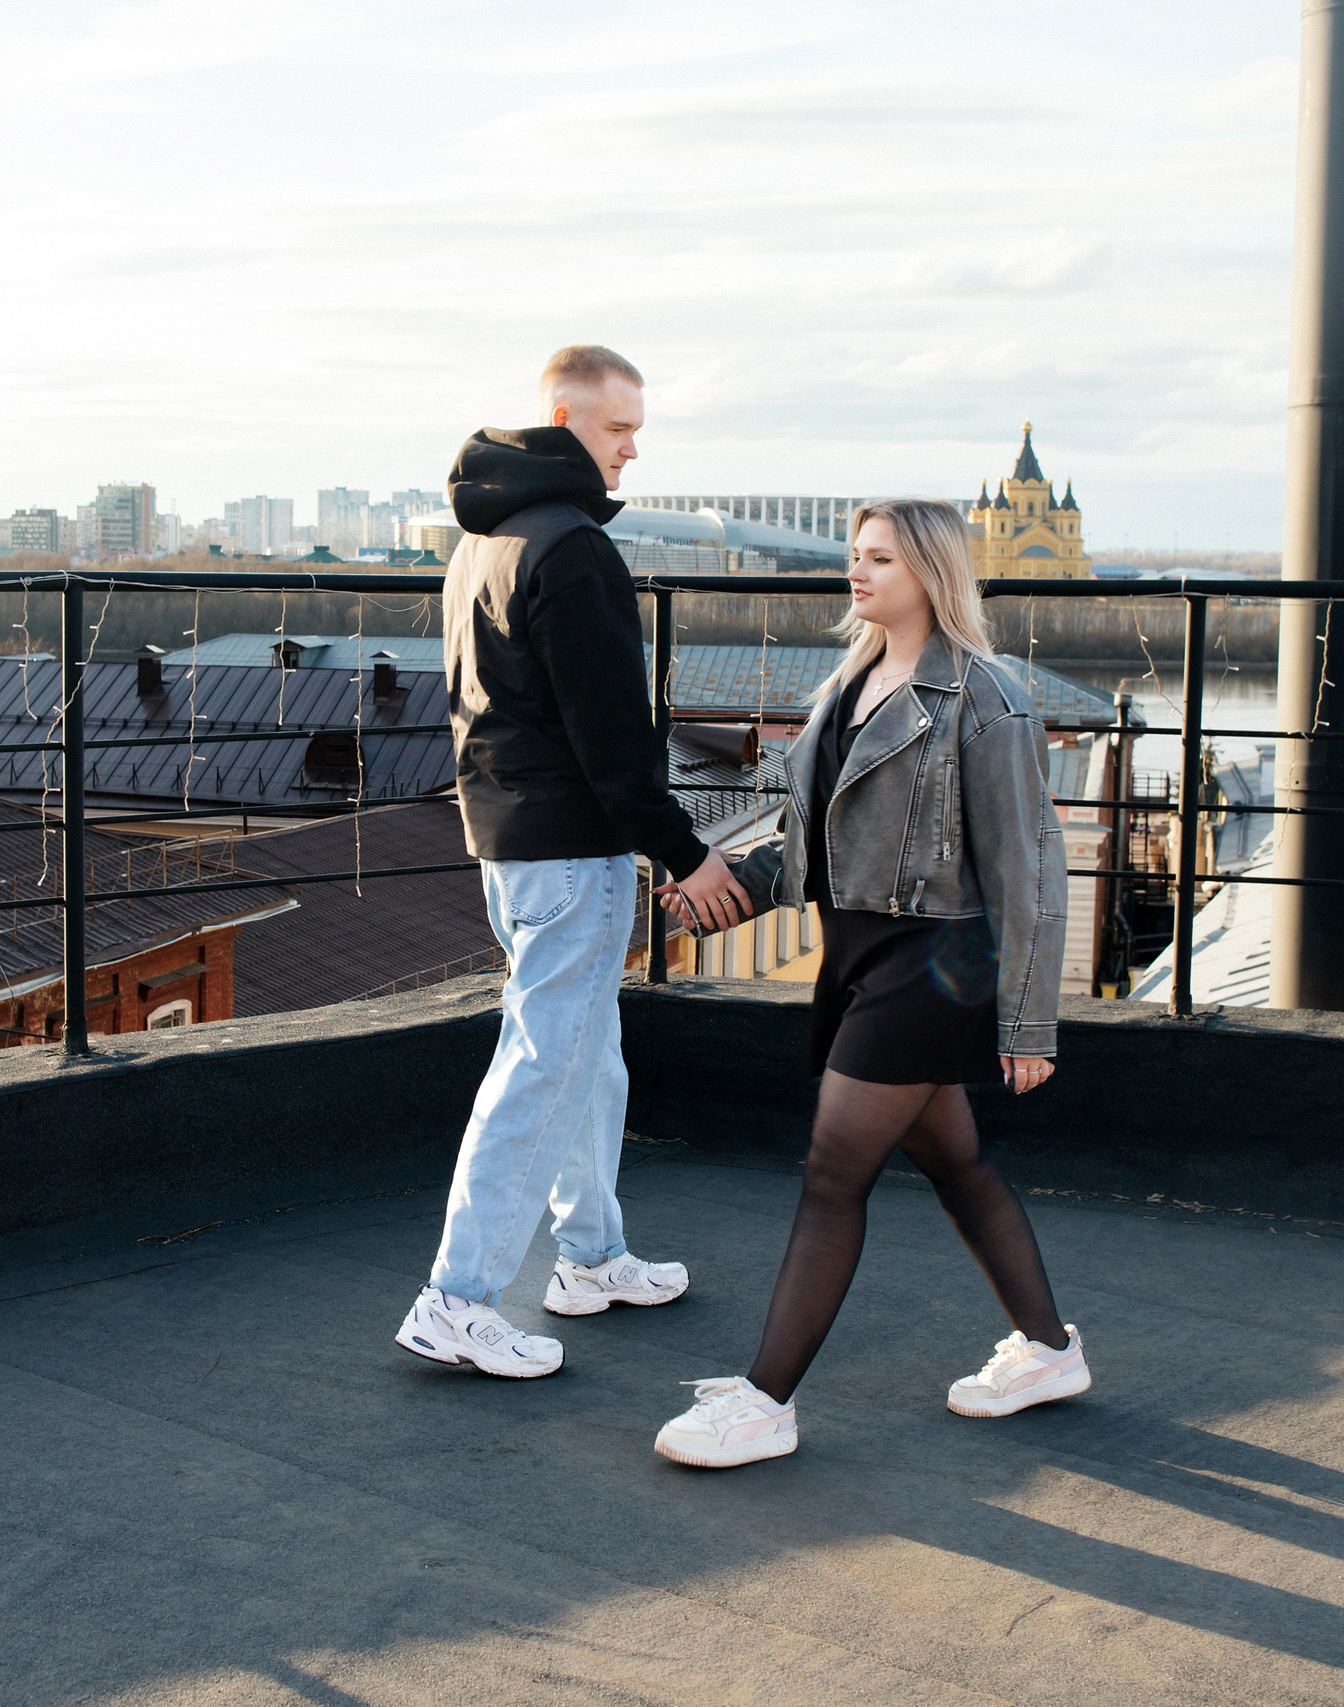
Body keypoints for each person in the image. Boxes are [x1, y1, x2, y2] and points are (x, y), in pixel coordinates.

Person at [649, 498, 1086, 1466]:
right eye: (854, 556)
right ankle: (1050, 1350)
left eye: (879, 559)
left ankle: (765, 1402)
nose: (857, 573)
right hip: (859, 954)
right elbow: (815, 844)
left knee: (832, 1171)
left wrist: (1027, 1024)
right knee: (957, 1166)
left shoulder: (985, 698)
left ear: (929, 572)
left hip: (936, 961)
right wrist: (737, 890)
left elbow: (1027, 868)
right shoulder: (845, 684)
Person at [395, 345, 754, 1379]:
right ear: (563, 418)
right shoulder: (571, 550)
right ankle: (457, 1299)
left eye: (636, 432)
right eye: (616, 430)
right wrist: (684, 853)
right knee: (544, 1066)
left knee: (585, 1053)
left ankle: (589, 1261)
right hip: (567, 847)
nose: (632, 452)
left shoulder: (486, 541)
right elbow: (611, 730)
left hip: (509, 840)